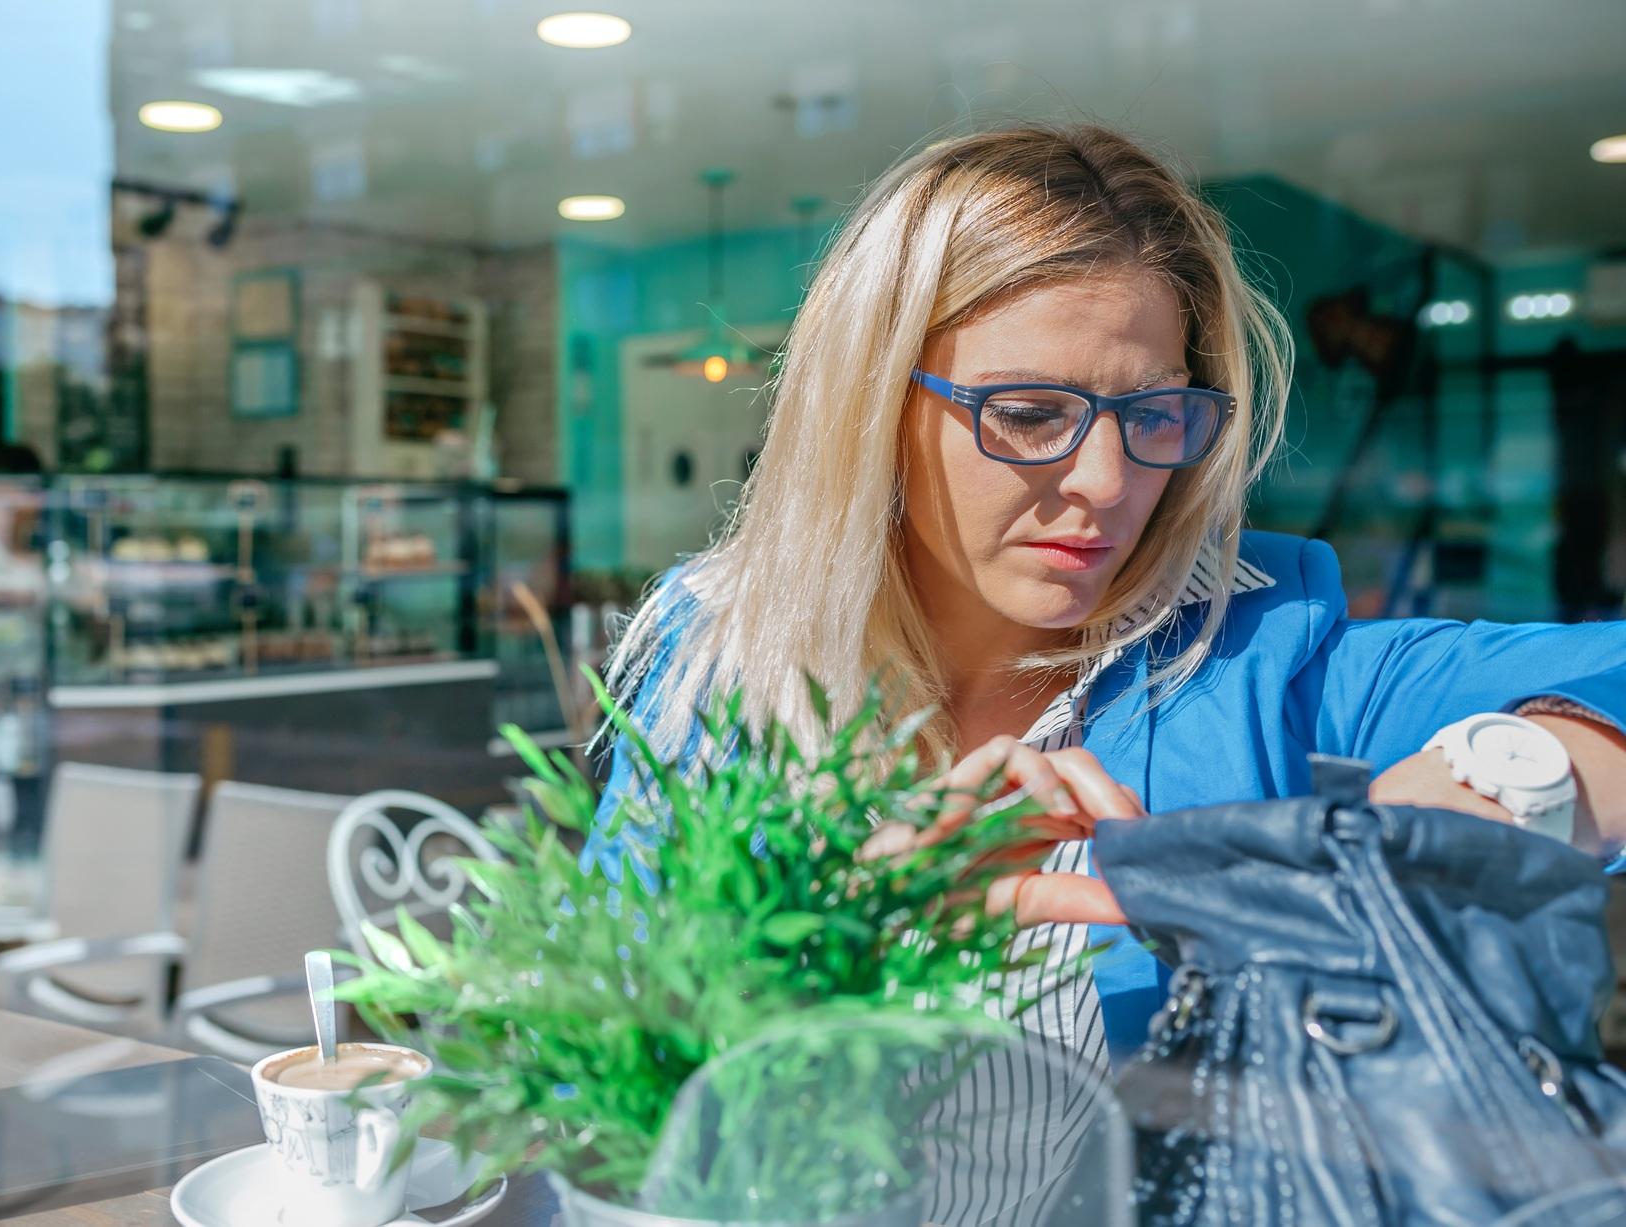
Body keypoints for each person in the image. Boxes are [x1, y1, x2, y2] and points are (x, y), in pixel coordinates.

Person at [590, 123, 1626, 1222]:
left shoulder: (1251, 645)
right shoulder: (717, 655)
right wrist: (840, 932)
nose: (1107, 481)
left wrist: (1510, 777)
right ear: (873, 405)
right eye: (1029, 413)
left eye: (1151, 414)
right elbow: (603, 1049)